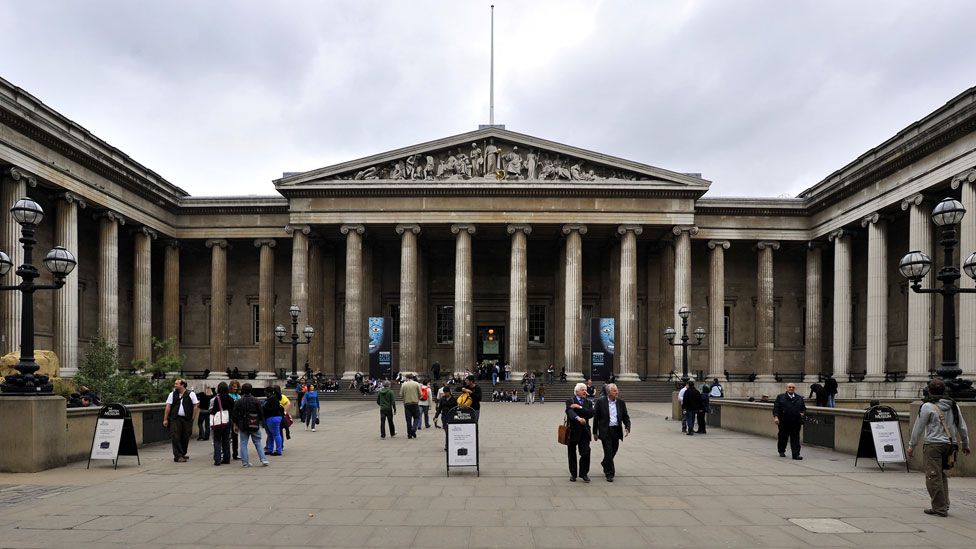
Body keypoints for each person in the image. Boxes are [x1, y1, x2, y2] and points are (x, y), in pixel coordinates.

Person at [907, 378, 971, 517]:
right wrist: (965, 444)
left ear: (929, 390)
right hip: (950, 445)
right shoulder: (953, 405)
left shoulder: (927, 406)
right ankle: (944, 503)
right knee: (940, 474)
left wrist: (912, 445)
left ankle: (939, 508)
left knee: (933, 476)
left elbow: (918, 427)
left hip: (933, 444)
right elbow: (962, 426)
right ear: (944, 390)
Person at [592, 383, 631, 482]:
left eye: (617, 390)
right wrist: (595, 432)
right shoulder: (601, 401)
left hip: (616, 430)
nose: (617, 392)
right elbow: (596, 418)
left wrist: (627, 427)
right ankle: (609, 473)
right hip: (605, 430)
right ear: (609, 392)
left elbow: (625, 416)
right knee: (608, 451)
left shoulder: (621, 402)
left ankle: (605, 462)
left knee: (614, 450)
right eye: (614, 391)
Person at [232, 383, 268, 467]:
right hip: (254, 423)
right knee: (258, 442)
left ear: (242, 391)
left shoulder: (239, 401)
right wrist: (260, 422)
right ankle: (263, 459)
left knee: (243, 443)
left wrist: (236, 424)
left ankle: (245, 462)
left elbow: (234, 415)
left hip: (243, 424)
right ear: (251, 390)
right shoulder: (256, 400)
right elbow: (261, 413)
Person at [163, 379, 199, 463]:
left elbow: (195, 406)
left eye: (177, 384)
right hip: (175, 419)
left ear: (182, 385)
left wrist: (192, 418)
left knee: (185, 436)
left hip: (187, 419)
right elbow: (168, 406)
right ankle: (178, 456)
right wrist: (165, 419)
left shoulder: (191, 394)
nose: (175, 385)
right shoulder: (172, 394)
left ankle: (182, 453)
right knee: (175, 437)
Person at [565, 382, 594, 482]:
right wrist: (578, 418)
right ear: (577, 391)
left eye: (585, 389)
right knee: (572, 453)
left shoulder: (588, 402)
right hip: (572, 431)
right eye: (582, 390)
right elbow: (569, 412)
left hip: (585, 432)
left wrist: (579, 407)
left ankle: (584, 473)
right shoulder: (570, 401)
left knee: (586, 452)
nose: (585, 391)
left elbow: (590, 414)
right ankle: (573, 474)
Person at [772, 383, 806, 459]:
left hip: (796, 421)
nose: (791, 388)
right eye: (789, 387)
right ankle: (781, 451)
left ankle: (796, 454)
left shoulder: (799, 398)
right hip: (784, 421)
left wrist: (802, 413)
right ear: (786, 388)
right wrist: (776, 417)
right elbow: (776, 408)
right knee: (783, 437)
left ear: (795, 389)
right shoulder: (780, 397)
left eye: (793, 387)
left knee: (795, 438)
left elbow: (803, 408)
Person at [209, 382, 234, 466]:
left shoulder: (217, 398)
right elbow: (233, 410)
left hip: (219, 422)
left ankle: (217, 459)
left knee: (217, 440)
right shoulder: (230, 398)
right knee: (226, 440)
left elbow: (214, 410)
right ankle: (227, 459)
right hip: (228, 421)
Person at [263, 386, 284, 456]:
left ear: (269, 392)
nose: (264, 393)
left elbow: (273, 409)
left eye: (265, 392)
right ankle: (270, 449)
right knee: (271, 435)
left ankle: (278, 450)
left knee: (276, 434)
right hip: (273, 418)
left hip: (272, 418)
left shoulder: (273, 399)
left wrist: (264, 408)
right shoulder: (273, 398)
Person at [400, 373, 422, 438]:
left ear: (407, 378)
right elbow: (420, 394)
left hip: (407, 404)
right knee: (417, 417)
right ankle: (413, 429)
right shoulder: (416, 384)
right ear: (412, 377)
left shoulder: (404, 384)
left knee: (408, 420)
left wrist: (405, 398)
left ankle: (409, 434)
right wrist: (417, 398)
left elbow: (401, 395)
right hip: (415, 403)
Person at [228, 380, 242, 460]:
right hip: (229, 417)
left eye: (236, 387)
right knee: (228, 437)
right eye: (233, 386)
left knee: (235, 437)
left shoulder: (238, 396)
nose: (235, 388)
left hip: (236, 419)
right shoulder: (229, 395)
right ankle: (225, 452)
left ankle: (235, 454)